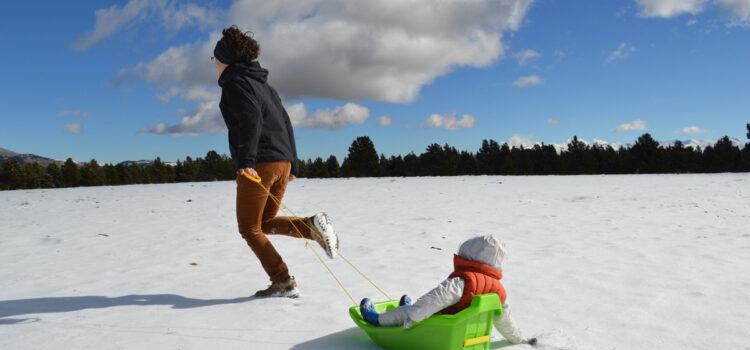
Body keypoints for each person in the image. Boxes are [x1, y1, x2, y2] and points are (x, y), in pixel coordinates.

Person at [213, 25, 339, 298]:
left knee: (249, 228)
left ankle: (282, 280)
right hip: (281, 163)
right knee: (266, 222)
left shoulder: (236, 82)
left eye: (216, 59)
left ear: (225, 59)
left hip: (259, 164)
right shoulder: (264, 86)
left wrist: (246, 160)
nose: (214, 65)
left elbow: (250, 120)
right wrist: (292, 163)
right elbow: (285, 122)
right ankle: (310, 226)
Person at [360, 235, 537, 345]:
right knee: (417, 308)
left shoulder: (465, 280)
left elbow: (436, 298)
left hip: (443, 327)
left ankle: (377, 319)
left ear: (470, 256)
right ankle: (410, 308)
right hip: (467, 336)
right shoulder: (498, 290)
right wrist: (519, 339)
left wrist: (413, 315)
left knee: (407, 312)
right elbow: (506, 320)